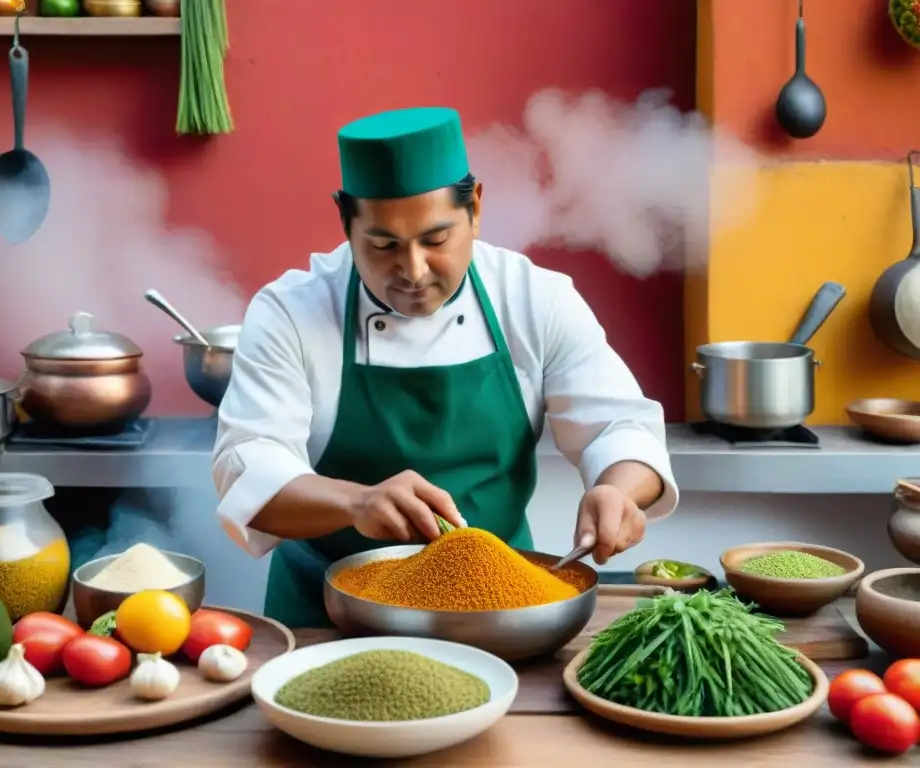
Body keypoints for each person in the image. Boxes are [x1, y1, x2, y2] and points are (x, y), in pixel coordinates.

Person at [212, 106, 678, 628]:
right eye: (383, 245)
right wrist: (356, 502)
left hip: (501, 608)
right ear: (346, 222)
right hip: (329, 612)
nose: (412, 271)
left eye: (435, 241)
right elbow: (248, 465)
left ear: (475, 208)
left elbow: (620, 427)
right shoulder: (290, 312)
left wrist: (616, 489)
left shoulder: (535, 300)